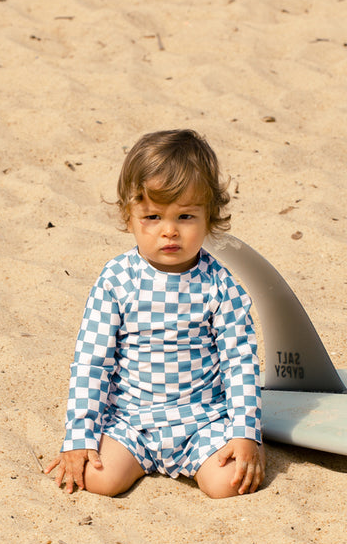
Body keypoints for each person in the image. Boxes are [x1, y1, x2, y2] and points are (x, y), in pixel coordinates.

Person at [46, 129, 264, 498]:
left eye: (185, 216)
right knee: (98, 480)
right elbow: (91, 361)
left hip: (202, 420)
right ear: (127, 215)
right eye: (152, 216)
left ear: (209, 217)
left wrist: (245, 433)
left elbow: (240, 362)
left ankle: (249, 446)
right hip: (131, 420)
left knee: (229, 485)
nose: (169, 231)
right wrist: (78, 438)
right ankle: (133, 459)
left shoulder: (219, 284)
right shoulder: (116, 280)